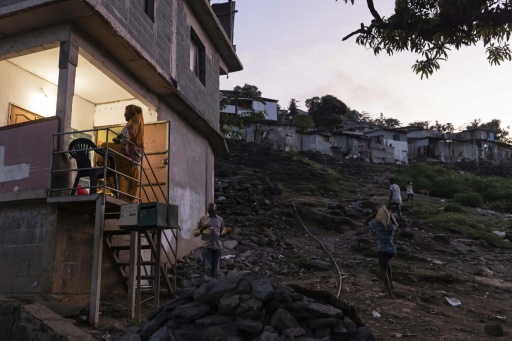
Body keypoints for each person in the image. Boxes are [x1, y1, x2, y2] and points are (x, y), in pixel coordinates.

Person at [100, 104, 144, 201]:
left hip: (127, 151)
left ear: (132, 112)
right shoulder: (138, 120)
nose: (124, 115)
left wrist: (120, 139)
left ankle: (103, 167)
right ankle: (123, 195)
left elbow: (128, 133)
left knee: (103, 146)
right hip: (133, 154)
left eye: (126, 112)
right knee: (120, 171)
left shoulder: (135, 119)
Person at [366, 205, 398, 297]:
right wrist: (390, 214)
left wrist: (374, 214)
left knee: (383, 271)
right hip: (391, 250)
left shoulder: (376, 224)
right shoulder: (391, 226)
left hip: (382, 250)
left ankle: (389, 293)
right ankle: (391, 285)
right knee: (388, 266)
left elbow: (365, 222)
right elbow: (396, 224)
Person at [193, 203, 230, 278]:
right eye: (210, 211)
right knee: (208, 269)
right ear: (207, 210)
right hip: (207, 247)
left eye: (213, 211)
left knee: (216, 270)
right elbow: (195, 233)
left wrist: (226, 233)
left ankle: (215, 287)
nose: (211, 212)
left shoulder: (220, 219)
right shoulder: (202, 219)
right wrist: (202, 229)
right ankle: (208, 286)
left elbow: (222, 233)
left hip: (218, 247)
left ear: (216, 210)